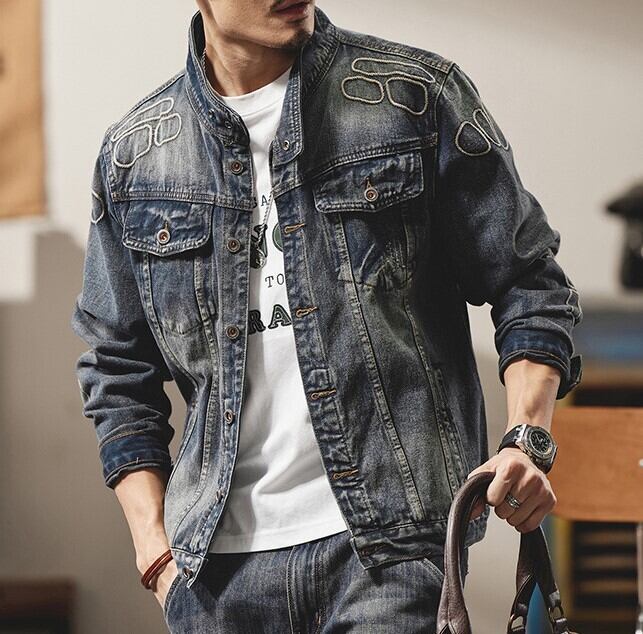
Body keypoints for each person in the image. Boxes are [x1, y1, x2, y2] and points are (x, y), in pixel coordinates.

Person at [70, 1, 583, 631]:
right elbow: (116, 365)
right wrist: (155, 553)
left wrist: (526, 438)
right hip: (214, 582)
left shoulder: (416, 100)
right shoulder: (135, 158)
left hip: (386, 559)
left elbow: (528, 281)